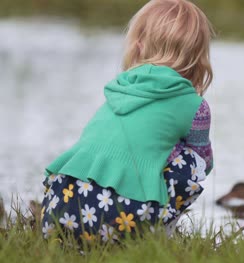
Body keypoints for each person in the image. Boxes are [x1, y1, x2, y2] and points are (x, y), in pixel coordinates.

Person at [40, 0, 214, 243]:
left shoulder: (119, 88)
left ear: (139, 47)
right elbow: (204, 164)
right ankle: (153, 236)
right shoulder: (195, 106)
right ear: (198, 57)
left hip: (59, 211)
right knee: (190, 161)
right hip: (121, 222)